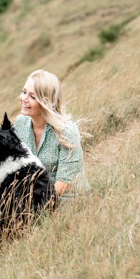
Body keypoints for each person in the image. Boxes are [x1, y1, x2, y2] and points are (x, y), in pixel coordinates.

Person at [14, 69, 87, 198]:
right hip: (31, 196)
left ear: (45, 102)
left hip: (65, 198)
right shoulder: (20, 123)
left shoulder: (67, 132)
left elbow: (64, 183)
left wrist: (30, 204)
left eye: (32, 96)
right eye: (24, 92)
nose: (24, 99)